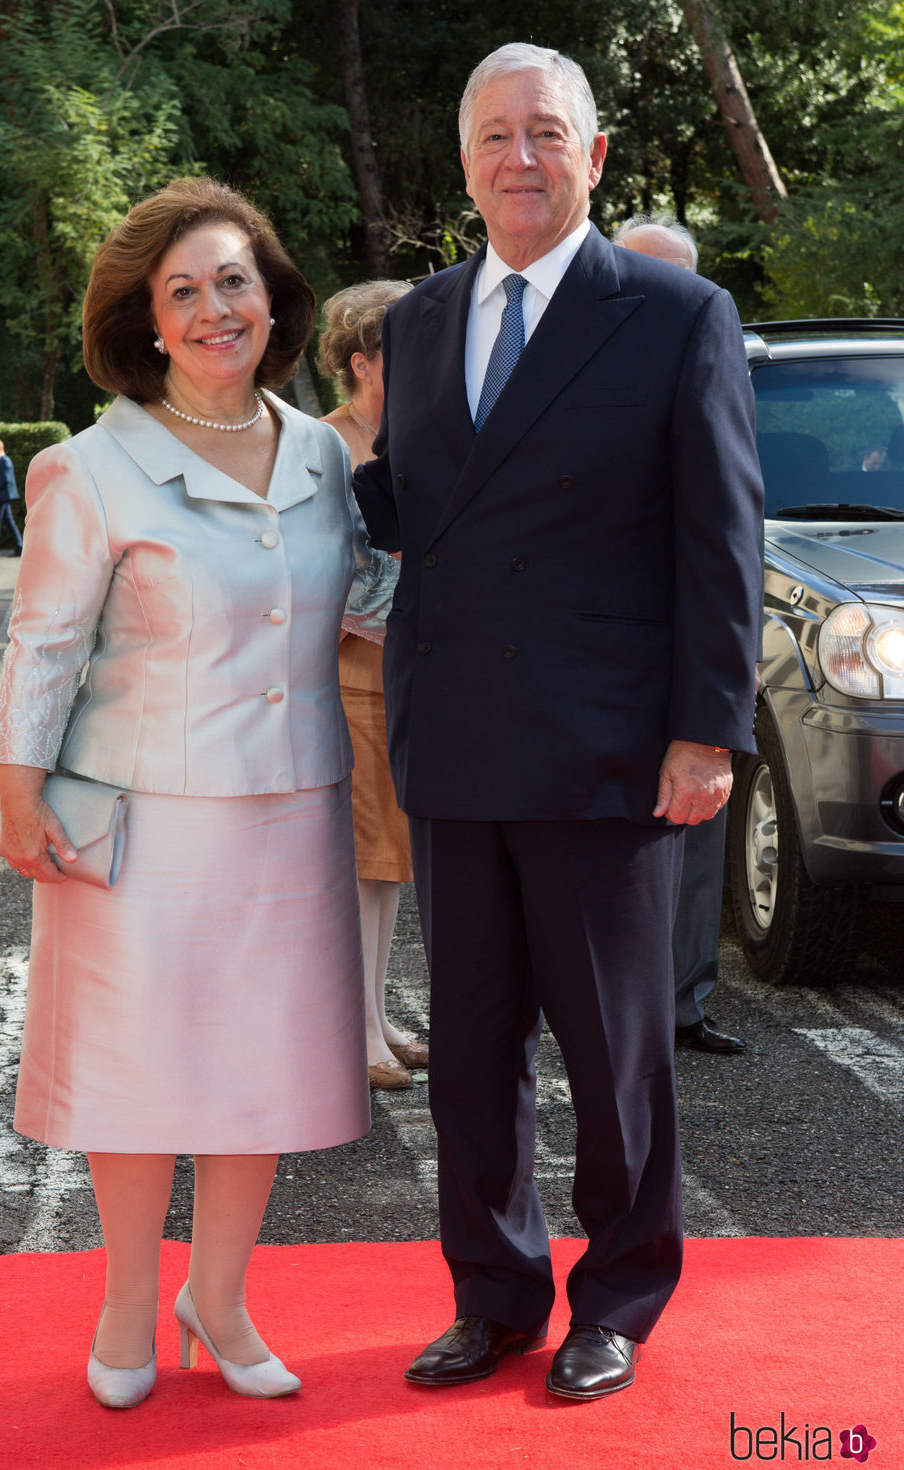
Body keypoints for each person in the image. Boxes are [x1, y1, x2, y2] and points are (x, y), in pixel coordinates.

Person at [353, 43, 763, 1402]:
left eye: (546, 133)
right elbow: (429, 516)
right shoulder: (414, 324)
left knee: (614, 1050)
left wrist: (707, 729)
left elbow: (721, 534)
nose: (517, 157)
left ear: (593, 157)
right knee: (470, 1053)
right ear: (462, 163)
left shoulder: (673, 310)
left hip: (607, 750)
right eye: (492, 135)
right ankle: (494, 1294)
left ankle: (622, 1294)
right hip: (460, 742)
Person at [0, 176, 397, 1410]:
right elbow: (43, 645)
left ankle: (215, 1301)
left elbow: (365, 600)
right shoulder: (90, 466)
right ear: (149, 324)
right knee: (139, 1080)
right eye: (185, 292)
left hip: (289, 812)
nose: (216, 307)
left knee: (256, 1077)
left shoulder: (324, 451)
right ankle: (126, 1299)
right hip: (139, 822)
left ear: (273, 300)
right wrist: (19, 798)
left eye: (234, 281)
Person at [614, 215, 745, 1056]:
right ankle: (612, 1006)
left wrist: (734, 671)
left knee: (697, 842)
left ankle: (683, 1004)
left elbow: (734, 526)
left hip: (692, 650)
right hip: (602, 661)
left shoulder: (708, 354)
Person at [317, 280, 429, 1091]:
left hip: (408, 676)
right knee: (360, 863)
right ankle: (350, 1032)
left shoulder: (414, 439)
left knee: (388, 862)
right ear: (362, 363)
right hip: (348, 674)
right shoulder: (325, 448)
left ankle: (374, 1017)